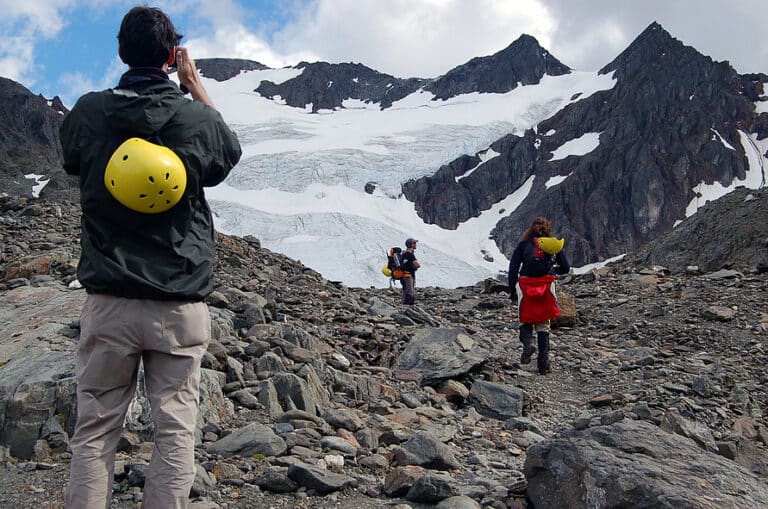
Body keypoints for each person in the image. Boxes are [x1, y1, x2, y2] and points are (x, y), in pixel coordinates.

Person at [60, 6, 242, 508]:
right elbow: (227, 151)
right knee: (176, 430)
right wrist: (194, 84)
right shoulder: (193, 117)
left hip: (110, 298)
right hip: (178, 303)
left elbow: (71, 157)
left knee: (94, 430)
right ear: (171, 54)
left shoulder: (90, 112)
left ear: (121, 51)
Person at [508, 217, 570, 375]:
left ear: (531, 228)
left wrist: (512, 290)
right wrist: (551, 271)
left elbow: (513, 267)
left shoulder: (523, 245)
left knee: (525, 318)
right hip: (546, 284)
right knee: (543, 323)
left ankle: (528, 344)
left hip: (526, 284)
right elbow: (566, 267)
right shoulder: (553, 244)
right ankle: (543, 364)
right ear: (547, 228)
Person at [401, 238, 421, 304]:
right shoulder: (409, 254)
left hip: (404, 275)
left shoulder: (405, 254)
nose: (415, 245)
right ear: (410, 245)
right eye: (414, 243)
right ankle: (407, 305)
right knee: (409, 291)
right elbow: (417, 265)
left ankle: (404, 304)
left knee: (406, 290)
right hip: (408, 276)